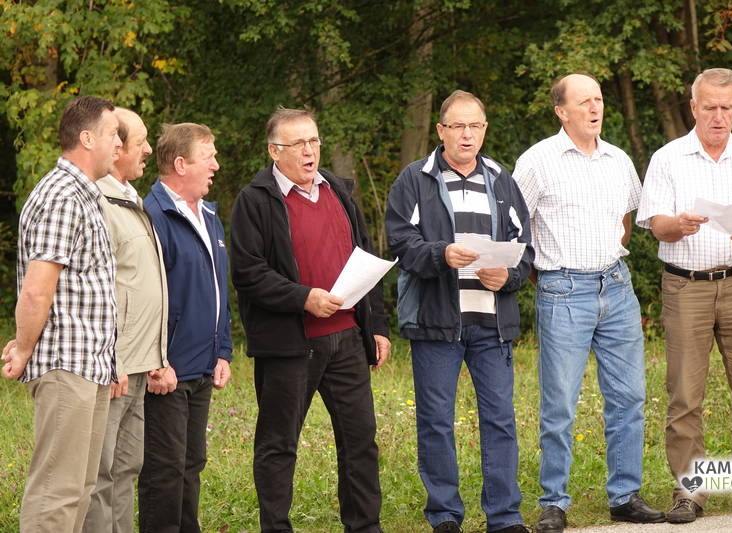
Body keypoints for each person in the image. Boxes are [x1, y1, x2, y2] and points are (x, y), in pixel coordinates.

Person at [636, 67, 732, 523]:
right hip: (686, 286)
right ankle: (692, 493)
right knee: (685, 396)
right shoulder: (668, 158)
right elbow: (655, 224)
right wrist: (677, 224)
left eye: (726, 107)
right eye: (710, 108)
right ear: (694, 107)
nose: (718, 116)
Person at [513, 73, 665, 533]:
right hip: (562, 290)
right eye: (584, 101)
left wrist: (605, 263)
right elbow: (516, 225)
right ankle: (553, 503)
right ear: (561, 111)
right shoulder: (537, 161)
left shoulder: (618, 159)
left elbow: (625, 222)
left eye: (598, 99)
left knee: (628, 397)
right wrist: (547, 275)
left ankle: (625, 496)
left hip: (616, 285)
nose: (595, 107)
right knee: (560, 404)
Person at [230, 107, 391, 533]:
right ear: (274, 151)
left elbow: (366, 259)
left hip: (347, 339)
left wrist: (377, 326)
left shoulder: (339, 191)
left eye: (314, 141)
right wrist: (304, 298)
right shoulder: (255, 200)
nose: (309, 151)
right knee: (278, 445)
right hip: (289, 346)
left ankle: (365, 527)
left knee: (360, 441)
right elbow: (248, 273)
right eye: (298, 143)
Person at [385, 90, 534, 533]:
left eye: (475, 126)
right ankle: (445, 515)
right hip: (436, 321)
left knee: (500, 420)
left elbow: (525, 249)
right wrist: (441, 254)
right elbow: (400, 242)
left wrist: (508, 277)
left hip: (492, 322)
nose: (467, 134)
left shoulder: (501, 179)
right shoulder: (414, 179)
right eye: (458, 126)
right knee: (435, 422)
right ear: (441, 130)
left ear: (484, 129)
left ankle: (504, 517)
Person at [1, 95, 121, 532]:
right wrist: (23, 348)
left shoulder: (85, 195)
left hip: (89, 366)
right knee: (56, 494)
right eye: (113, 135)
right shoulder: (63, 196)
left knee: (78, 490)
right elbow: (37, 290)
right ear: (87, 138)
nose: (119, 144)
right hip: (66, 366)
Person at [82, 108, 176, 533]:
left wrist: (157, 354)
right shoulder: (98, 203)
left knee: (126, 467)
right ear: (116, 147)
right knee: (100, 473)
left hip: (140, 363)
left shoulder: (130, 199)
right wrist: (113, 358)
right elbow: (96, 290)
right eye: (140, 142)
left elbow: (139, 283)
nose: (149, 150)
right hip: (115, 367)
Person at [138, 122, 233, 533]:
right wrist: (157, 360)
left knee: (192, 463)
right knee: (165, 470)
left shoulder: (209, 214)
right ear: (180, 164)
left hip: (203, 366)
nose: (215, 165)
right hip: (168, 370)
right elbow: (144, 297)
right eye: (208, 157)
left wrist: (223, 351)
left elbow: (218, 288)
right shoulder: (153, 216)